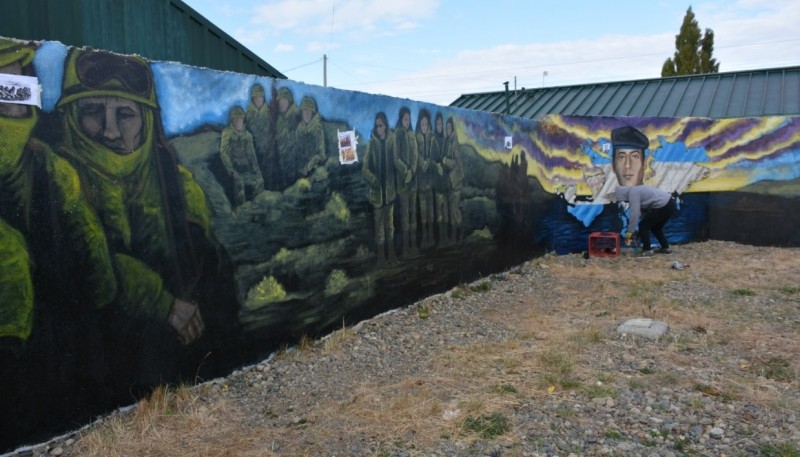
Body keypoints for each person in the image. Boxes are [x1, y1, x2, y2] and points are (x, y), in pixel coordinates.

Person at [56, 48, 239, 390]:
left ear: (147, 121)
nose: (110, 132)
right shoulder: (57, 180)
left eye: (125, 115)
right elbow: (92, 269)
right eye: (93, 112)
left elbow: (212, 270)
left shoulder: (177, 183)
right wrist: (161, 303)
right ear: (70, 118)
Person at [362, 112, 397, 264]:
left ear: (385, 125)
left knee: (390, 226)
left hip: (389, 192)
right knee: (379, 228)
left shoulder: (392, 141)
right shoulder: (372, 144)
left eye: (381, 125)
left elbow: (396, 163)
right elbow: (364, 169)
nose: (379, 128)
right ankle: (382, 259)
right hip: (377, 193)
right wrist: (373, 179)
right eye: (376, 126)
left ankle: (392, 256)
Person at [614, 185, 677, 257]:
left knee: (643, 226)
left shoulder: (633, 193)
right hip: (670, 204)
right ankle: (666, 248)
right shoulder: (636, 191)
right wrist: (639, 231)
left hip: (663, 205)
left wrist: (629, 232)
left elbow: (635, 214)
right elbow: (644, 213)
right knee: (656, 228)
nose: (625, 201)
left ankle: (648, 251)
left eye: (623, 200)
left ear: (623, 195)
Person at [220, 106, 264, 208]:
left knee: (259, 181)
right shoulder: (227, 133)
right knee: (239, 185)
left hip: (247, 169)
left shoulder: (247, 135)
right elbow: (224, 153)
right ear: (232, 121)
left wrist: (257, 171)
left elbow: (252, 155)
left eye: (240, 119)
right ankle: (242, 211)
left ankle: (258, 207)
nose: (238, 122)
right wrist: (231, 170)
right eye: (235, 119)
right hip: (235, 170)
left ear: (243, 120)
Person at [394, 107, 418, 256]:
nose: (407, 122)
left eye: (408, 119)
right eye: (405, 119)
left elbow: (415, 155)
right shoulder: (397, 134)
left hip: (413, 183)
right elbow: (396, 159)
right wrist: (406, 171)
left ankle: (413, 245)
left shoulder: (412, 135)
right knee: (404, 216)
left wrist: (412, 171)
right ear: (401, 119)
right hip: (403, 183)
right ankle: (405, 248)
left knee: (412, 215)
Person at [415, 109, 438, 249]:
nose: (424, 126)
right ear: (419, 124)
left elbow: (435, 155)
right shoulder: (416, 138)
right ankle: (425, 237)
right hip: (421, 182)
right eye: (422, 124)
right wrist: (421, 162)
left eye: (426, 124)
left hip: (430, 181)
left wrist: (428, 161)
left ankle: (431, 236)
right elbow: (415, 155)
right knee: (423, 212)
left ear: (429, 124)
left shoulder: (432, 138)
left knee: (431, 211)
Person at [244, 83, 272, 187]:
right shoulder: (248, 113)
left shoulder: (269, 111)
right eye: (255, 97)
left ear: (263, 98)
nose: (258, 99)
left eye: (260, 97)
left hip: (268, 150)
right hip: (254, 151)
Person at [294, 96, 326, 179]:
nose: (306, 114)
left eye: (308, 111)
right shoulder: (299, 129)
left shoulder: (317, 128)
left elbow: (321, 154)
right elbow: (298, 151)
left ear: (313, 113)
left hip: (316, 167)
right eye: (304, 111)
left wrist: (309, 166)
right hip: (301, 169)